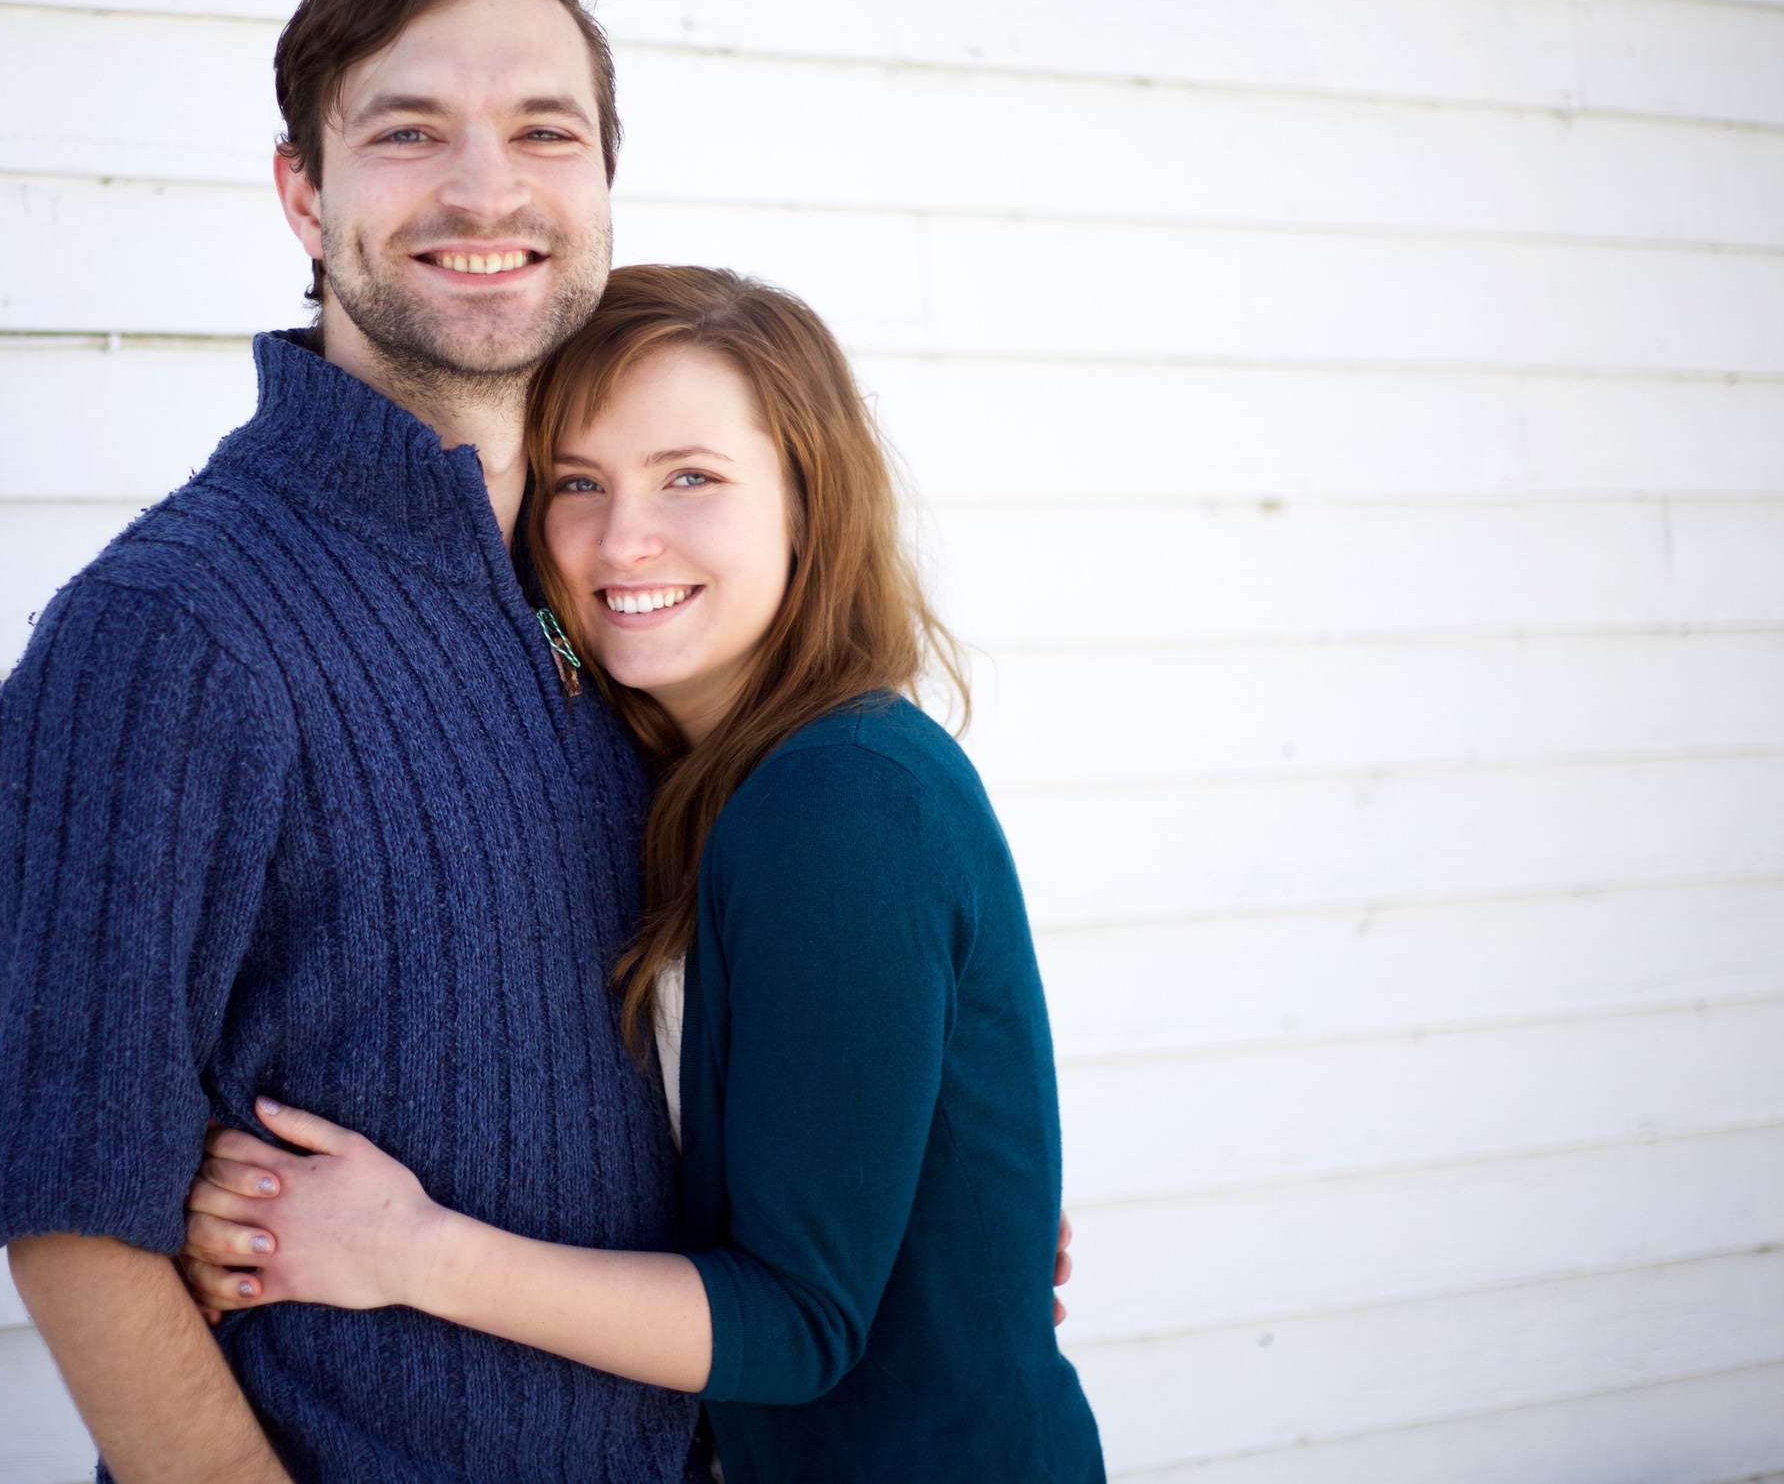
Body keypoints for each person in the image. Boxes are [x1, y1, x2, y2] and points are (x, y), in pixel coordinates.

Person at [0, 0, 700, 1484]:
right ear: (304, 191)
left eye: (544, 132)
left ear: (605, 182)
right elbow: (73, 1213)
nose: (486, 188)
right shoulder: (171, 627)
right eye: (410, 133)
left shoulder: (606, 590)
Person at [181, 267, 1106, 1483]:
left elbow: (797, 1322)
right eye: (579, 482)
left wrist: (407, 1249)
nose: (624, 538)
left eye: (691, 478)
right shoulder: (684, 773)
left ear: (805, 505)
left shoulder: (837, 799)